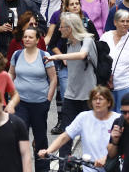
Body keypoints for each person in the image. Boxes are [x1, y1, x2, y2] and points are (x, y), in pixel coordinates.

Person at [46, 12, 98, 153]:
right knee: (66, 133)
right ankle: (63, 165)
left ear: (70, 28)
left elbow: (82, 55)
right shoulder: (69, 43)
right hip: (71, 95)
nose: (59, 30)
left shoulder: (87, 40)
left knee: (90, 135)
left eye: (62, 27)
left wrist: (56, 56)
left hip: (87, 96)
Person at [8, 26, 56, 171]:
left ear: (37, 40)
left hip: (40, 103)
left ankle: (42, 168)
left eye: (30, 37)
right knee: (19, 136)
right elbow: (10, 74)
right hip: (20, 103)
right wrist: (10, 95)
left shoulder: (44, 55)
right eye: (25, 37)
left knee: (40, 138)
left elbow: (53, 79)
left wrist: (48, 100)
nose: (27, 39)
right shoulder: (17, 54)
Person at [39, 86, 119, 171]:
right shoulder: (84, 117)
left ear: (109, 102)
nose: (97, 102)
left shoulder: (117, 119)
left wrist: (106, 159)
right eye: (94, 99)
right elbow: (65, 136)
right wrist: (48, 151)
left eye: (101, 99)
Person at [101, 9, 129, 110]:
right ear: (115, 22)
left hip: (126, 85)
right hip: (106, 86)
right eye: (122, 21)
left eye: (128, 21)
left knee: (126, 119)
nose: (125, 24)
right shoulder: (105, 37)